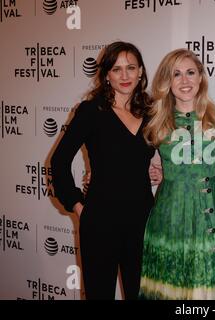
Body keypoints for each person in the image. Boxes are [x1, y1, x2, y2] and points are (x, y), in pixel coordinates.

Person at [51, 41, 156, 300]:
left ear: (141, 72)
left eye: (131, 68)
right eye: (116, 68)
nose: (124, 75)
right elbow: (59, 162)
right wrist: (77, 205)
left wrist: (162, 172)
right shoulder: (91, 111)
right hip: (100, 223)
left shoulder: (153, 112)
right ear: (106, 74)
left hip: (142, 221)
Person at [139, 48, 215, 300]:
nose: (185, 81)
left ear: (201, 77)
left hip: (206, 214)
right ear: (167, 81)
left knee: (202, 290)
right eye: (176, 74)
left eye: (190, 73)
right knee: (168, 288)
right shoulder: (155, 119)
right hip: (169, 216)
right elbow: (128, 162)